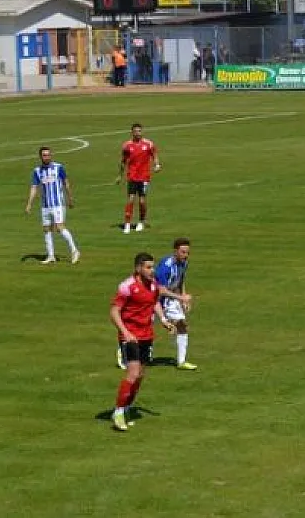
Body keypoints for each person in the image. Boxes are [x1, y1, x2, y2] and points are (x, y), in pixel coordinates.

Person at [109, 252, 174, 431]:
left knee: (140, 376)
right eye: (148, 267)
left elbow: (154, 302)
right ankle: (118, 412)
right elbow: (114, 312)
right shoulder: (127, 286)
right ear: (138, 268)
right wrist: (125, 332)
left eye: (153, 267)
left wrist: (164, 320)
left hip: (146, 335)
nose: (152, 270)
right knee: (133, 373)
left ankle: (126, 408)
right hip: (130, 336)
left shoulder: (152, 285)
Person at [24, 147, 80, 265]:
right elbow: (34, 187)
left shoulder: (58, 167)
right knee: (46, 229)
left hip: (57, 204)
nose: (47, 157)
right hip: (45, 205)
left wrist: (70, 199)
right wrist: (29, 204)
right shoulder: (37, 171)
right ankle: (51, 255)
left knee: (59, 227)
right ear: (40, 157)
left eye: (49, 155)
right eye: (44, 155)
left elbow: (66, 183)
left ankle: (74, 251)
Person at [156, 237, 196, 370]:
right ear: (175, 251)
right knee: (143, 329)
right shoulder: (165, 267)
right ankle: (126, 352)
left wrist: (182, 297)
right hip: (157, 301)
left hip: (171, 299)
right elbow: (161, 290)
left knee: (182, 325)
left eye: (188, 252)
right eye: (183, 252)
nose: (186, 255)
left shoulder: (184, 263)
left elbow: (180, 280)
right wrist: (181, 298)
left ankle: (181, 361)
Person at [116, 123, 160, 234]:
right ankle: (127, 224)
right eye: (135, 131)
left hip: (144, 177)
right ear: (132, 132)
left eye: (139, 131)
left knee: (142, 201)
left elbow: (154, 155)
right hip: (132, 176)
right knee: (130, 199)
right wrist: (120, 175)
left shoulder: (149, 144)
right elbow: (123, 161)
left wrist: (157, 165)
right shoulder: (127, 145)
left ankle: (141, 222)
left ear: (142, 132)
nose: (138, 133)